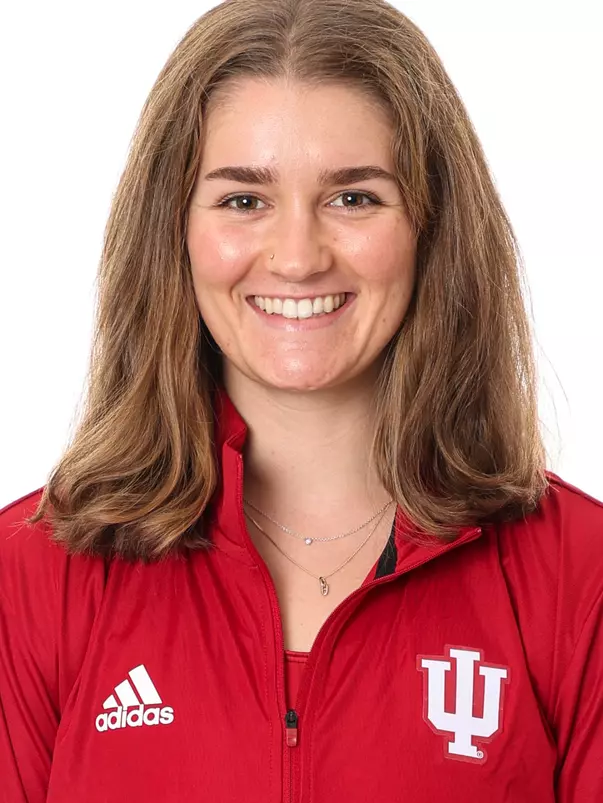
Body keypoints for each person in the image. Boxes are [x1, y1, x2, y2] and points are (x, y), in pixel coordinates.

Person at [1, 0, 602, 800]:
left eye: (352, 197)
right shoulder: (33, 572)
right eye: (242, 200)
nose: (295, 257)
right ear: (172, 231)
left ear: (431, 228)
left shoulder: (577, 574)